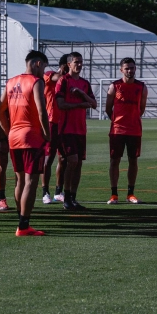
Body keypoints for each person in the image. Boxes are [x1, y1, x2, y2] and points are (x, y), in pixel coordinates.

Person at [0, 50, 51, 236]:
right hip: (31, 137)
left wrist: (7, 130)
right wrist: (47, 133)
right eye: (43, 66)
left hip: (14, 136)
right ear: (37, 64)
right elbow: (42, 111)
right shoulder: (36, 82)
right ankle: (24, 225)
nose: (44, 71)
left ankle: (21, 219)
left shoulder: (11, 82)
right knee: (31, 181)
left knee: (20, 180)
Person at [55, 52, 97, 210]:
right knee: (71, 161)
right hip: (66, 129)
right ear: (69, 64)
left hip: (81, 129)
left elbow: (93, 104)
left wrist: (81, 94)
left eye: (81, 62)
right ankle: (65, 197)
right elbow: (60, 104)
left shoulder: (85, 83)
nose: (79, 64)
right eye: (76, 62)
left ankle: (73, 197)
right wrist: (80, 104)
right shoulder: (63, 81)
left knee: (78, 163)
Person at [105, 57, 148, 204]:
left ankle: (130, 193)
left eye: (132, 68)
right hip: (117, 131)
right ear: (121, 69)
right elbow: (107, 108)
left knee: (133, 161)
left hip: (134, 130)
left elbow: (141, 108)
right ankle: (114, 194)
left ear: (135, 69)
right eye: (127, 68)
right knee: (114, 160)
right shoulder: (114, 86)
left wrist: (132, 119)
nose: (130, 70)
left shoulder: (141, 87)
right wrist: (118, 121)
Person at [42, 56, 66, 204]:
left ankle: (59, 191)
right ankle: (45, 192)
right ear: (64, 66)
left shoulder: (69, 82)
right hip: (51, 122)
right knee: (48, 158)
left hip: (65, 123)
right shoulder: (50, 75)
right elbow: (57, 77)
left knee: (63, 158)